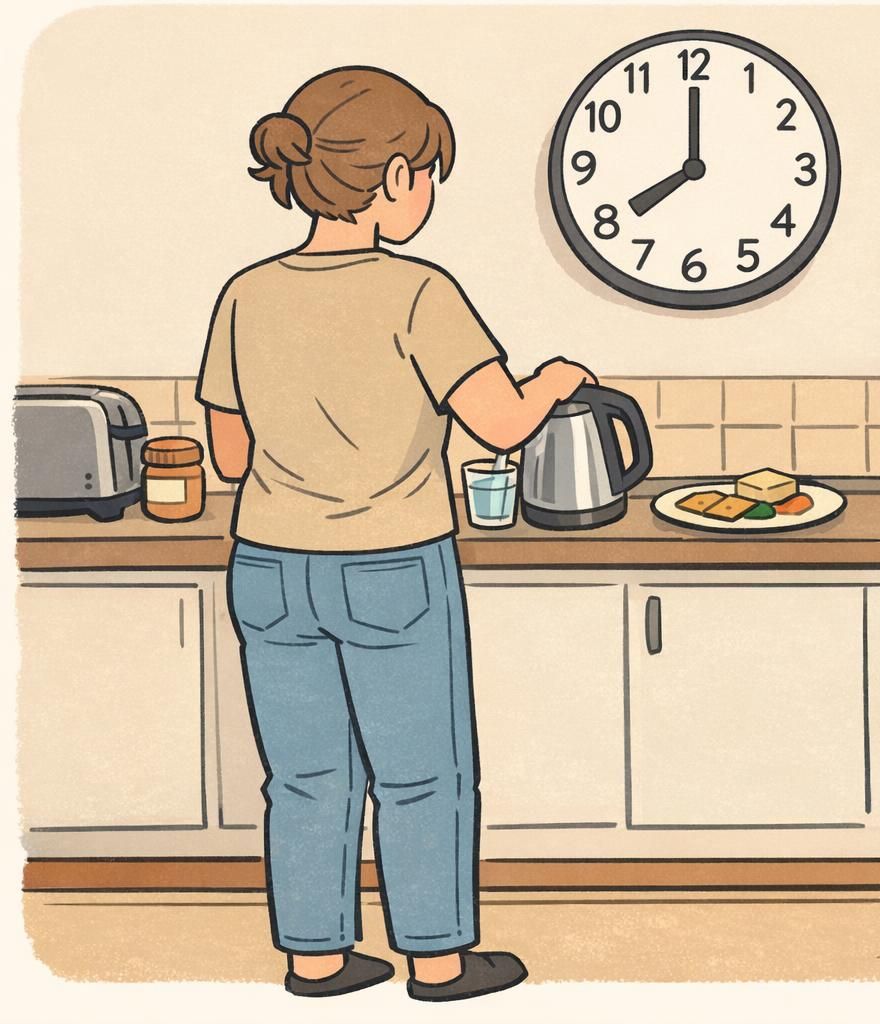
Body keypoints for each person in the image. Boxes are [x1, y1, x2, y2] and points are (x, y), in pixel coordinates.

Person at [195, 66, 593, 1002]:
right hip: (390, 566)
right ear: (395, 178)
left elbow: (226, 450)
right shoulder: (419, 291)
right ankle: (438, 960)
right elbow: (498, 422)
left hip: (269, 567)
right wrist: (555, 382)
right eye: (427, 175)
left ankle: (317, 957)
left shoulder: (247, 293)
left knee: (303, 774)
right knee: (421, 772)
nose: (427, 195)